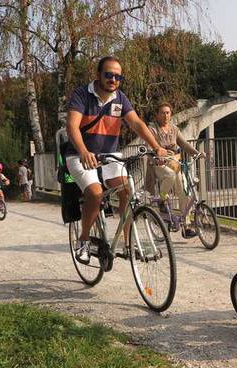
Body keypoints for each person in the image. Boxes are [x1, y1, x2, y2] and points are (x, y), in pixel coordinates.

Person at [66, 56, 167, 265]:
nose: (113, 79)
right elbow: (72, 126)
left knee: (127, 191)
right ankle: (83, 240)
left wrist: (156, 147)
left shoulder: (120, 98)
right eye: (108, 74)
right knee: (94, 193)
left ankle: (129, 241)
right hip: (79, 155)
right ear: (98, 75)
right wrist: (84, 151)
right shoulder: (81, 95)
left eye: (118, 76)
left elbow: (137, 123)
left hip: (110, 156)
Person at [144, 102, 204, 237]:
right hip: (158, 164)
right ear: (157, 114)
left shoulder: (174, 129)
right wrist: (156, 155)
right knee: (170, 175)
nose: (166, 115)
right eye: (162, 112)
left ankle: (186, 226)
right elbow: (148, 146)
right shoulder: (152, 128)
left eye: (168, 112)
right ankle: (162, 198)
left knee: (184, 193)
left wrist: (197, 153)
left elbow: (184, 143)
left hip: (175, 163)